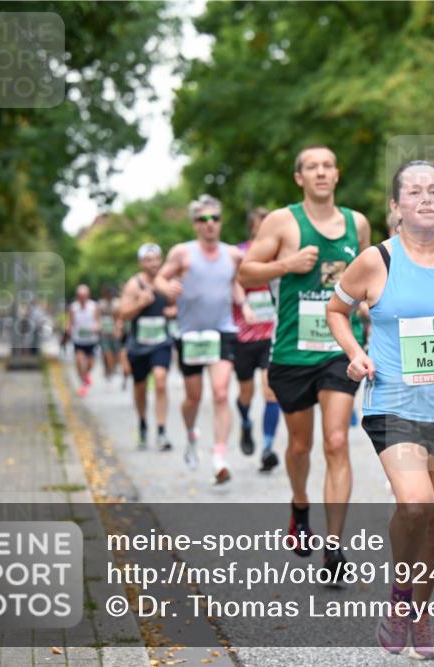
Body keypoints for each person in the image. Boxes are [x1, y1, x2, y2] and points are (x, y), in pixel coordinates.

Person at [327, 160, 434, 658]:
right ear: (396, 207)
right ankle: (399, 599)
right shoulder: (376, 260)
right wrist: (355, 354)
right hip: (394, 403)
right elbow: (336, 311)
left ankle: (420, 611)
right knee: (416, 504)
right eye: (414, 192)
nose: (426, 198)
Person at [239, 145, 370, 576]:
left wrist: (369, 307)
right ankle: (300, 505)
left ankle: (334, 547)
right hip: (293, 350)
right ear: (299, 178)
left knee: (336, 440)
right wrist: (287, 263)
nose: (320, 172)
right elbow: (245, 272)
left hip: (339, 348)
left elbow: (368, 281)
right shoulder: (282, 221)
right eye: (311, 167)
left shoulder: (357, 224)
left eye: (327, 165)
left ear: (337, 174)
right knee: (300, 445)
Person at [156, 194, 245, 485]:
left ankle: (219, 457)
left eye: (214, 219)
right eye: (203, 219)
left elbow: (238, 281)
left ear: (220, 222)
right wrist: (167, 286)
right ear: (195, 224)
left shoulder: (232, 254)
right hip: (190, 334)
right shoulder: (182, 252)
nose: (209, 224)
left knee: (221, 393)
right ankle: (192, 434)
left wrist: (243, 304)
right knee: (193, 398)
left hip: (222, 329)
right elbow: (159, 278)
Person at [233, 207, 282, 472]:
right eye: (259, 225)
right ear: (252, 227)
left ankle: (267, 447)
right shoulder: (241, 252)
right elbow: (236, 283)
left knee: (270, 388)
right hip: (244, 335)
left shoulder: (282, 254)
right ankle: (246, 423)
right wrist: (244, 306)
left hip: (271, 333)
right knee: (245, 393)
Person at [118, 243, 176, 451]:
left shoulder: (167, 283)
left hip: (161, 341)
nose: (153, 263)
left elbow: (181, 305)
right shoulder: (134, 285)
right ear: (141, 263)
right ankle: (143, 423)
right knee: (140, 387)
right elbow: (123, 313)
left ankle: (161, 430)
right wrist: (140, 303)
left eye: (156, 259)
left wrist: (174, 310)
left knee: (161, 381)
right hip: (139, 345)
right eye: (148, 260)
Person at [66, 285, 100, 395]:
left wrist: (96, 327)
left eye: (84, 296)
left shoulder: (93, 306)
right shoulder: (73, 307)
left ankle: (86, 376)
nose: (82, 298)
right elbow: (70, 321)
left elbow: (98, 321)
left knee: (90, 364)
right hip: (78, 339)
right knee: (79, 360)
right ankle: (83, 382)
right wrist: (68, 328)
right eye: (80, 296)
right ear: (77, 296)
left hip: (91, 339)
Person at [99, 284, 122, 381]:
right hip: (104, 333)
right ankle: (108, 370)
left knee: (116, 353)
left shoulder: (117, 304)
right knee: (106, 353)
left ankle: (112, 368)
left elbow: (120, 318)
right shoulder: (101, 304)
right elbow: (97, 317)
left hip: (114, 333)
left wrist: (118, 329)